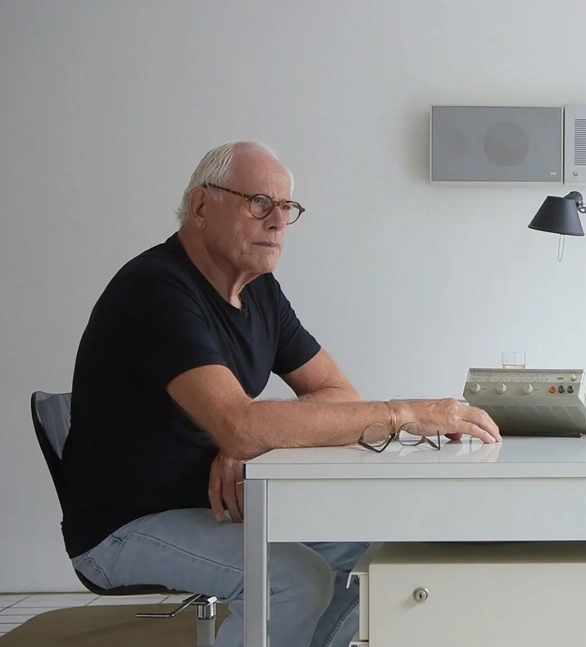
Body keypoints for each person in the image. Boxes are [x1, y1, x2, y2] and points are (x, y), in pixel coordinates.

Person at [59, 140, 502, 647]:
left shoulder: (259, 289)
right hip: (124, 525)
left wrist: (252, 438)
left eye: (287, 207)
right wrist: (401, 413)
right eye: (259, 203)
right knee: (294, 580)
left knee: (370, 552)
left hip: (211, 505)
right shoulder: (155, 290)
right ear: (201, 206)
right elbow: (241, 424)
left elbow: (336, 392)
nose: (277, 222)